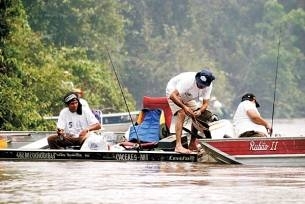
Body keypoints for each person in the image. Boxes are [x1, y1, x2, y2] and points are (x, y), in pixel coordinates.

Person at [166, 69, 216, 153]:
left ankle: (192, 144)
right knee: (181, 112)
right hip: (173, 92)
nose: (200, 86)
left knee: (195, 114)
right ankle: (178, 146)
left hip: (187, 95)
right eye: (199, 83)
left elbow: (205, 104)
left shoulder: (209, 86)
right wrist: (184, 107)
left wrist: (200, 111)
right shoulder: (188, 81)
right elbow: (173, 96)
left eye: (203, 85)